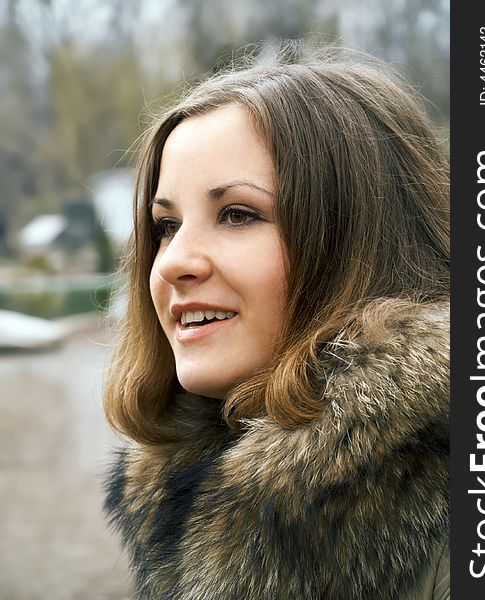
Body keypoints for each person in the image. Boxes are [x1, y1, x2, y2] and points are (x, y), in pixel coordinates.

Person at [103, 45, 450, 600]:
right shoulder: (181, 487)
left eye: (238, 214)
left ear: (357, 243)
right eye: (167, 225)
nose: (170, 262)